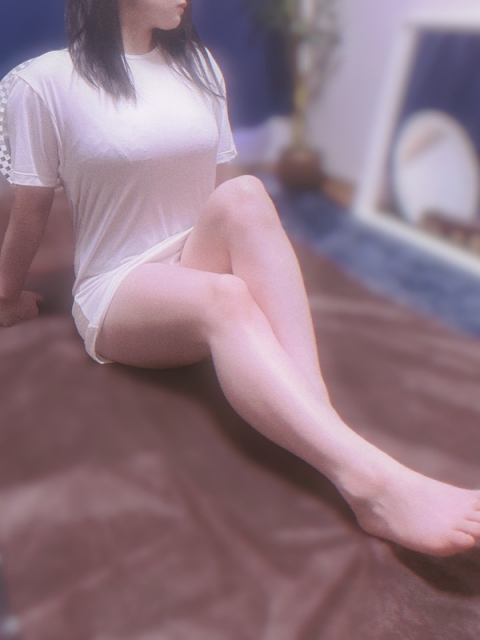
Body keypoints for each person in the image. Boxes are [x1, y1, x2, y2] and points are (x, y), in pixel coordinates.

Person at [0, 0, 479, 558]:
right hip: (119, 288)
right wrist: (6, 295)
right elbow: (30, 212)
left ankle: (317, 419)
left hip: (191, 256)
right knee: (225, 297)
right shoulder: (44, 82)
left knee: (246, 194)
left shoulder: (199, 65)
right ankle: (372, 487)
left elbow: (220, 192)